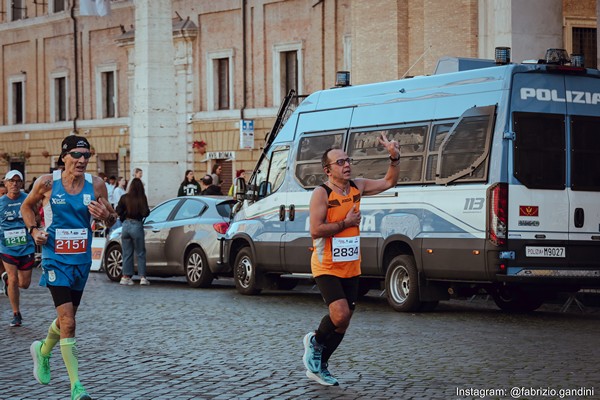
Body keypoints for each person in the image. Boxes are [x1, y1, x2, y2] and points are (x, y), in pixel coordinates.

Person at [21, 135, 117, 400]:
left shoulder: (96, 184)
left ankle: (42, 350)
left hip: (81, 260)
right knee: (69, 322)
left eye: (86, 155)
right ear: (63, 156)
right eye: (76, 155)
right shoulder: (47, 183)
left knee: (67, 320)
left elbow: (112, 218)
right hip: (55, 259)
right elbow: (26, 207)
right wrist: (34, 230)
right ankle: (77, 387)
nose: (82, 160)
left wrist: (105, 217)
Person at [302, 132, 400, 386]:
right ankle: (315, 342)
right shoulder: (321, 193)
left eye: (348, 160)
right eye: (340, 162)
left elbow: (389, 182)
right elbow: (316, 229)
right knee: (340, 314)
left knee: (343, 324)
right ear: (327, 170)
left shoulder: (357, 186)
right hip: (326, 264)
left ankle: (320, 365)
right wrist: (345, 223)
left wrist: (394, 157)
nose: (347, 165)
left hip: (351, 265)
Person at [0, 170, 36, 327]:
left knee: (25, 283)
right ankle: (16, 314)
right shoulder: (0, 203)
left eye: (17, 181)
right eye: (11, 181)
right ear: (6, 183)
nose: (14, 184)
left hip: (26, 247)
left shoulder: (28, 200)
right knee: (14, 280)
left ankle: (7, 280)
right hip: (7, 246)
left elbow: (37, 216)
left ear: (21, 183)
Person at [116, 177, 150, 286]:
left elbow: (118, 210)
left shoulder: (124, 197)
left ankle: (126, 277)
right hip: (137, 225)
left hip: (125, 225)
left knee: (127, 253)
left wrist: (124, 216)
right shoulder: (141, 198)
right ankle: (142, 277)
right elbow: (145, 212)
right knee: (140, 252)